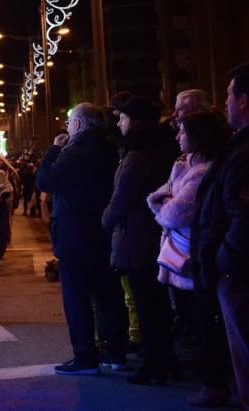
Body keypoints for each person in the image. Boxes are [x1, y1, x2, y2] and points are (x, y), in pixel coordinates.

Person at [147, 111, 232, 406]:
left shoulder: (201, 172)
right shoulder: (185, 167)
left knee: (205, 319)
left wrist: (162, 203)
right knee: (197, 317)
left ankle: (215, 382)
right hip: (191, 253)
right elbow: (163, 196)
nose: (177, 136)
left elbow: (171, 211)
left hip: (197, 255)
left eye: (182, 132)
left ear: (197, 137)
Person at [36, 102, 128, 375]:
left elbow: (45, 180)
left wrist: (53, 149)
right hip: (103, 231)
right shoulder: (110, 148)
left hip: (74, 233)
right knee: (108, 294)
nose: (67, 127)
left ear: (78, 124)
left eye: (69, 123)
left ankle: (85, 355)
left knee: (77, 298)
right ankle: (115, 352)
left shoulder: (73, 153)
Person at [102, 96, 179, 384]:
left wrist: (106, 219)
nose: (119, 124)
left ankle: (154, 364)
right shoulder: (164, 148)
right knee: (156, 303)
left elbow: (122, 197)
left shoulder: (136, 156)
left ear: (135, 121)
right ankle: (166, 359)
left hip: (137, 236)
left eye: (123, 118)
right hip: (156, 233)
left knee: (146, 304)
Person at [194, 63, 249, 408]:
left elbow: (242, 215)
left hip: (239, 271)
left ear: (243, 100)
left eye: (229, 95)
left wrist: (224, 260)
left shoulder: (242, 153)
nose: (224, 102)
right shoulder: (238, 147)